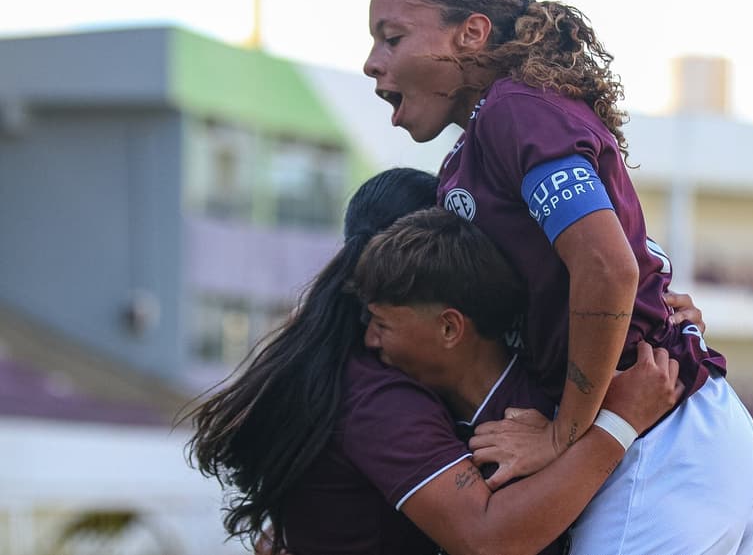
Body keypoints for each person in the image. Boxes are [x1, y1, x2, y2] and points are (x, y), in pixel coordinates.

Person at [363, 0, 753, 553]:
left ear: (471, 33)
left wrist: (564, 433)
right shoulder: (467, 155)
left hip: (662, 439)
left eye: (391, 37)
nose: (373, 61)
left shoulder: (514, 110)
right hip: (659, 441)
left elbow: (607, 268)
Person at [185, 167, 688, 555]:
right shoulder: (379, 395)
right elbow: (486, 538)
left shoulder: (396, 371)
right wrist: (616, 426)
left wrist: (659, 320)